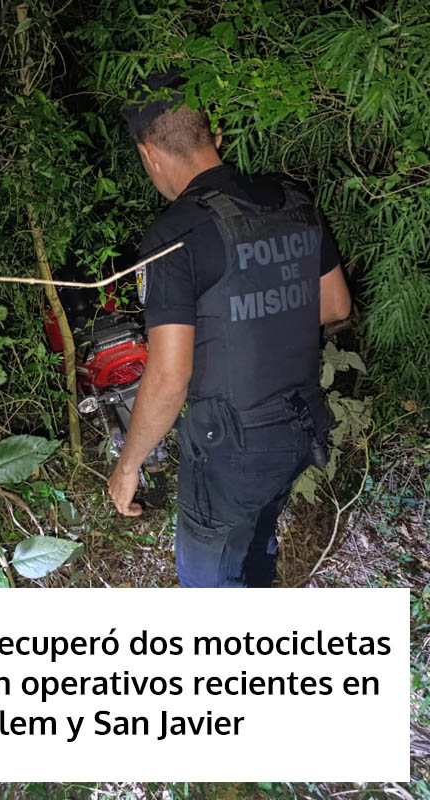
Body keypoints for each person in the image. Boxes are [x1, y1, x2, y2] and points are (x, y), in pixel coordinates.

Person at [107, 69, 352, 588]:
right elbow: (335, 306)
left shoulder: (174, 236)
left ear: (149, 154)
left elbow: (170, 376)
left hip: (233, 450)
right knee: (255, 541)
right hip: (300, 425)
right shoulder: (292, 200)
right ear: (214, 136)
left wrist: (128, 466)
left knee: (210, 586)